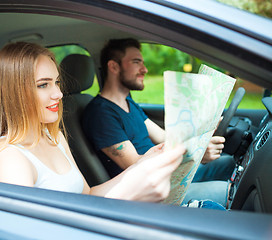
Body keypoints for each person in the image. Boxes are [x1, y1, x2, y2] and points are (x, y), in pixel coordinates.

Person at [0, 41, 186, 203]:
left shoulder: (52, 136)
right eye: (43, 85)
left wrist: (142, 165)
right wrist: (128, 193)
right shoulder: (8, 157)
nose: (58, 93)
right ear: (14, 93)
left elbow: (88, 194)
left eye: (56, 82)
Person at [82, 38, 235, 206]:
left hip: (168, 172)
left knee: (229, 164)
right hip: (153, 190)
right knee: (228, 191)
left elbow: (163, 137)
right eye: (136, 62)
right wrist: (194, 152)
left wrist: (202, 132)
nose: (144, 69)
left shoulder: (128, 103)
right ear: (113, 66)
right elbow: (136, 166)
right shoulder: (100, 113)